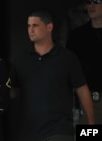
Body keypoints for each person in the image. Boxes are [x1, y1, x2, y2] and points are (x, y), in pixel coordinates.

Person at [9, 8, 95, 141]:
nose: (30, 30)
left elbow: (82, 90)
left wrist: (91, 125)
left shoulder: (67, 58)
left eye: (35, 26)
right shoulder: (20, 59)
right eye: (28, 26)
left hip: (59, 130)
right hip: (28, 131)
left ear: (49, 27)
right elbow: (13, 90)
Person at [66, 0, 102, 124]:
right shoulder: (77, 36)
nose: (91, 5)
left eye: (96, 1)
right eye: (88, 1)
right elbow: (68, 70)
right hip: (89, 101)